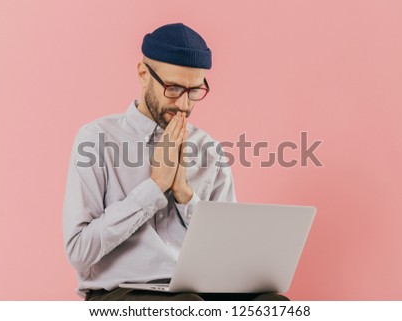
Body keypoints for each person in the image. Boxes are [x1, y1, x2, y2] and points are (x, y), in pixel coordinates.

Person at [63, 22, 289, 301]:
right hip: (121, 292)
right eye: (173, 88)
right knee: (187, 307)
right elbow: (79, 251)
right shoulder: (96, 139)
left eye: (194, 90)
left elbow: (229, 255)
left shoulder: (209, 149)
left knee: (273, 304)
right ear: (143, 74)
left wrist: (184, 194)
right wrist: (155, 187)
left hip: (199, 290)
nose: (184, 104)